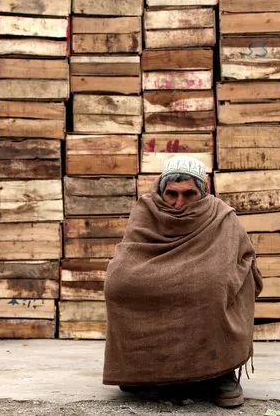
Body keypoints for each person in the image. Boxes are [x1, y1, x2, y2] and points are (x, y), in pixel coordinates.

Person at [103, 155, 263, 408]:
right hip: (153, 275)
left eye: (189, 194)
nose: (179, 204)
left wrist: (219, 277)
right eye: (172, 194)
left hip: (208, 287)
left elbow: (245, 258)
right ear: (160, 190)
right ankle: (142, 371)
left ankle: (221, 373)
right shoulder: (145, 210)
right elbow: (130, 256)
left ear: (204, 190)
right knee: (118, 284)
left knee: (214, 287)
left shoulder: (222, 216)